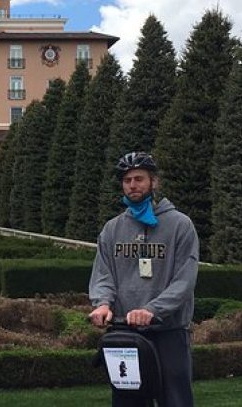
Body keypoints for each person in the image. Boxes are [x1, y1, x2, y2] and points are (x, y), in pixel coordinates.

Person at [89, 152, 199, 407]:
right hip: (125, 332)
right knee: (128, 400)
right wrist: (102, 303)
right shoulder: (112, 229)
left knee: (175, 400)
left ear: (154, 182)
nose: (132, 185)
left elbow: (185, 280)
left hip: (168, 331)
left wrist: (152, 309)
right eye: (127, 180)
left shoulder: (180, 225)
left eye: (139, 179)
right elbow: (103, 274)